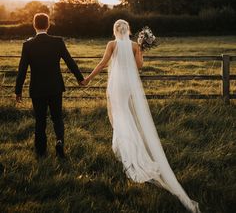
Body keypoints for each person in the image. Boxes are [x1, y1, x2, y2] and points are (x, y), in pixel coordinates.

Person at [82, 19, 201, 213]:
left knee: (120, 115)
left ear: (115, 30)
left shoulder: (112, 44)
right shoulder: (135, 45)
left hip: (116, 85)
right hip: (128, 86)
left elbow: (103, 64)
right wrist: (141, 49)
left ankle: (128, 150)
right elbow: (139, 66)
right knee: (124, 114)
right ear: (128, 30)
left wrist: (88, 78)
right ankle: (122, 144)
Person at [15, 13, 84, 158]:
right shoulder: (58, 42)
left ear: (34, 25)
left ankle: (41, 151)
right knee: (57, 117)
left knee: (40, 120)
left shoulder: (28, 45)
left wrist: (18, 91)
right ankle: (59, 141)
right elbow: (70, 61)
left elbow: (22, 70)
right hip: (55, 87)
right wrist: (80, 78)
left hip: (37, 89)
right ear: (48, 25)